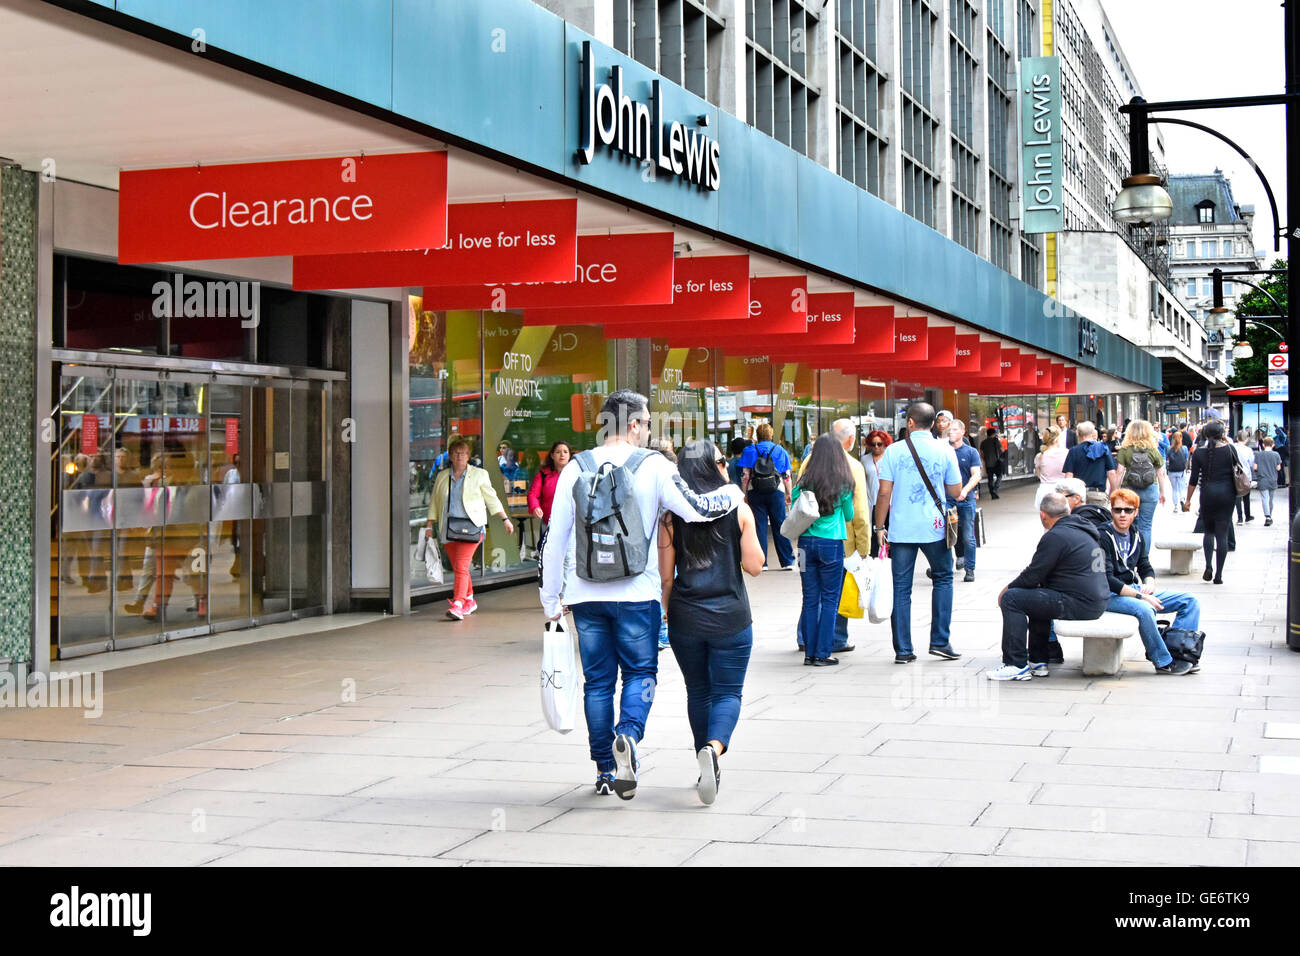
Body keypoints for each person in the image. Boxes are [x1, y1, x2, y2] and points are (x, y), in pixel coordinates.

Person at [539, 389, 744, 800]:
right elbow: (697, 509)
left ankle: (604, 769)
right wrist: (735, 493)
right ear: (632, 424)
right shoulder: (652, 466)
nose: (649, 431)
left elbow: (554, 540)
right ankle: (627, 738)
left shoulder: (574, 468)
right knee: (639, 674)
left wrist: (550, 600)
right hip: (637, 593)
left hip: (585, 593)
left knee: (597, 683)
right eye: (647, 424)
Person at [657, 439, 765, 805]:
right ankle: (714, 750)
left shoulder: (671, 515)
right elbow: (755, 566)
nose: (725, 467)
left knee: (698, 692)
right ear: (713, 467)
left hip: (686, 617)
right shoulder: (739, 509)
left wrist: (669, 610)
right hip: (731, 617)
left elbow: (666, 577)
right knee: (728, 692)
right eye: (721, 461)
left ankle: (703, 759)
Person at [874, 402, 962, 664]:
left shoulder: (893, 451)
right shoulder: (945, 450)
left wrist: (880, 526)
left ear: (910, 422)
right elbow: (956, 491)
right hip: (935, 527)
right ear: (933, 423)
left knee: (901, 588)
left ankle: (903, 650)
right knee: (944, 579)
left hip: (902, 529)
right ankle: (940, 641)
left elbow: (884, 492)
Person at [986, 493, 1109, 680]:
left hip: (1079, 603)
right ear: (1067, 511)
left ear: (1043, 515)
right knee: (1037, 595)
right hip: (1097, 600)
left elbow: (1033, 574)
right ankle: (1038, 660)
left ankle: (1015, 664)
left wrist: (1007, 589)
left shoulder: (1056, 536)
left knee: (1012, 599)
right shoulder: (1084, 530)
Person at [1094, 489, 1198, 675]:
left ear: (1136, 512)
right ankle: (1163, 661)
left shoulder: (1137, 535)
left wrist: (1149, 583)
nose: (1123, 514)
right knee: (1145, 609)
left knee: (1189, 601)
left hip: (1133, 590)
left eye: (1128, 510)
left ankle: (1180, 652)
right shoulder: (1101, 536)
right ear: (1112, 511)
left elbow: (1144, 565)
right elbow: (1105, 579)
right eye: (1118, 510)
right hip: (1107, 594)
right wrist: (1141, 596)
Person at [426, 438, 514, 620]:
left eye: (464, 453)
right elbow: (435, 502)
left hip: (472, 527)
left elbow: (492, 498)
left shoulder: (479, 474)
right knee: (461, 568)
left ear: (468, 456)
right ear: (450, 456)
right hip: (449, 528)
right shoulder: (443, 476)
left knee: (461, 566)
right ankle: (470, 600)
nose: (460, 456)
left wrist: (504, 519)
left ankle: (458, 603)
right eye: (456, 453)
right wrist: (429, 525)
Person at [792, 434, 856, 666]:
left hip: (806, 545)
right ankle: (823, 652)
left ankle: (809, 653)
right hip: (832, 545)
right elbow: (848, 515)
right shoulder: (844, 482)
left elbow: (794, 509)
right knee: (830, 599)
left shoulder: (803, 481)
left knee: (809, 598)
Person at [820, 419, 872, 655]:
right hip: (842, 539)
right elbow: (859, 511)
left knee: (813, 591)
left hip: (811, 538)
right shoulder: (853, 466)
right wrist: (864, 545)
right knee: (837, 590)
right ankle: (837, 638)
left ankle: (805, 635)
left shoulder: (812, 460)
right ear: (850, 439)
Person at [737, 423, 795, 571]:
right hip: (776, 492)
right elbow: (786, 476)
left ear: (757, 435)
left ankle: (762, 563)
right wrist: (789, 493)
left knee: (759, 526)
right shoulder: (780, 450)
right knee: (780, 524)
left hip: (755, 491)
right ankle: (787, 560)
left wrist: (744, 494)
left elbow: (745, 475)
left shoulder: (750, 450)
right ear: (771, 435)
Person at [1186, 419, 1236, 585]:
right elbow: (1239, 469)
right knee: (1222, 534)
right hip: (1227, 494)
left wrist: (1187, 501)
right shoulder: (1230, 449)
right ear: (1222, 434)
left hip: (1207, 494)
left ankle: (1208, 565)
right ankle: (1219, 575)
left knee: (1209, 532)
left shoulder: (1199, 453)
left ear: (1205, 434)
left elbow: (1193, 480)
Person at [1115, 420, 1167, 559]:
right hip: (1150, 490)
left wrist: (1115, 491)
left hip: (1129, 492)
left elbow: (1120, 471)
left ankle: (1131, 555)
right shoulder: (1153, 450)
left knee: (1131, 524)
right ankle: (1143, 558)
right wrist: (1162, 492)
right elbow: (1160, 472)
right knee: (1146, 526)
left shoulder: (1125, 450)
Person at [946, 421, 982, 582]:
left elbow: (976, 475)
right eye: (949, 429)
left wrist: (965, 491)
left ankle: (970, 568)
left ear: (962, 431)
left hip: (966, 499)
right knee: (944, 534)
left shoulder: (971, 452)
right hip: (947, 500)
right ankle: (943, 566)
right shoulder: (943, 451)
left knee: (968, 536)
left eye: (954, 429)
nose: (951, 432)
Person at [1062, 421, 1119, 507]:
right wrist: (1114, 493)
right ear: (1092, 433)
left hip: (1078, 496)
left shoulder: (1073, 451)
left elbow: (1068, 476)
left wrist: (1067, 495)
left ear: (1078, 433)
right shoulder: (1103, 448)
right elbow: (1111, 473)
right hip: (1098, 494)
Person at [860, 429, 892, 555]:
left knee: (890, 537)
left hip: (889, 503)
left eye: (880, 444)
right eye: (873, 444)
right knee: (873, 540)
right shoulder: (864, 460)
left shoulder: (890, 458)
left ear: (885, 444)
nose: (877, 447)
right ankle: (872, 566)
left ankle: (889, 565)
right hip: (871, 503)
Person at [528, 440, 572, 527]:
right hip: (549, 524)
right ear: (552, 455)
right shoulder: (543, 475)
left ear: (569, 455)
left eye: (565, 452)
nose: (562, 455)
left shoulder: (577, 474)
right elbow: (532, 494)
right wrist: (535, 507)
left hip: (572, 525)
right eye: (558, 452)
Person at [1034, 425, 1069, 510]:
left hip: (1044, 491)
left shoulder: (1040, 456)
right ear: (1057, 439)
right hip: (1061, 491)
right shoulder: (1066, 453)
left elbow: (1039, 473)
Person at [1253, 436, 1283, 526]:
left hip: (1262, 479)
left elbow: (1255, 467)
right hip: (1273, 479)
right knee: (1271, 499)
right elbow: (1278, 468)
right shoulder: (1276, 454)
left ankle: (1267, 516)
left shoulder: (1258, 454)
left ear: (1263, 444)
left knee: (1265, 498)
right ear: (1273, 445)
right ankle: (1270, 514)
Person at [1233, 430, 1256, 525]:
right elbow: (1251, 463)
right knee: (1246, 495)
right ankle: (1248, 516)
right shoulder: (1248, 450)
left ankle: (1239, 518)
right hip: (1246, 474)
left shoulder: (1232, 447)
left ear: (1237, 438)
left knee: (1237, 496)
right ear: (1246, 439)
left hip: (1235, 474)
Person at [1166, 431, 1189, 514]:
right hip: (1181, 471)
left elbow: (1167, 459)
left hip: (1172, 471)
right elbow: (1186, 459)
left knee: (1174, 489)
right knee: (1182, 488)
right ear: (1181, 438)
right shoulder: (1185, 448)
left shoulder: (1169, 448)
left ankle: (1175, 506)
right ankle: (1182, 500)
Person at [980, 427, 1005, 499]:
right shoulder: (996, 440)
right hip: (996, 462)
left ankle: (992, 493)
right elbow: (1002, 450)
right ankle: (995, 489)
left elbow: (982, 454)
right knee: (999, 476)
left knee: (990, 479)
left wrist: (984, 460)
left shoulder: (983, 442)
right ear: (994, 434)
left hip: (988, 463)